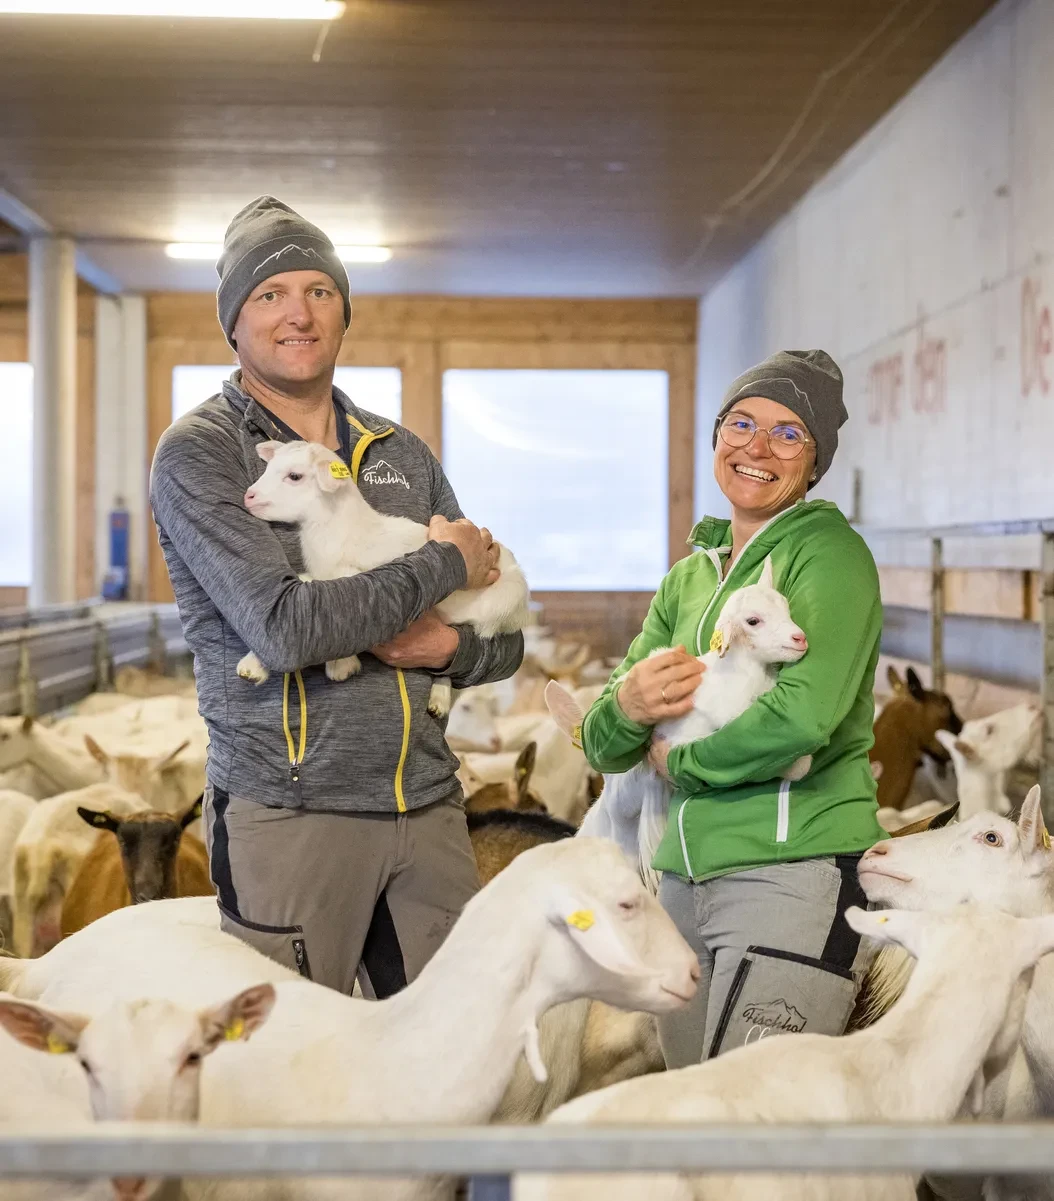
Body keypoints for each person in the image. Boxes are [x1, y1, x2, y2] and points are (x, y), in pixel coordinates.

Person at [150, 196, 523, 999]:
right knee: (291, 1070)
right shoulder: (203, 454)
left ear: (343, 313)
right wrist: (438, 567)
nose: (299, 314)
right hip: (291, 813)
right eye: (270, 295)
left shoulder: (399, 453)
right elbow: (284, 629)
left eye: (319, 291)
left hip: (426, 807)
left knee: (452, 1062)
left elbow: (506, 640)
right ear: (236, 323)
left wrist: (451, 649)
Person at [581, 349, 885, 1066]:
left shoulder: (829, 555)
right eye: (741, 422)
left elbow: (806, 718)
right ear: (716, 435)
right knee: (696, 1118)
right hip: (682, 880)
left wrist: (679, 762)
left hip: (791, 872)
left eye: (788, 433)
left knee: (755, 1134)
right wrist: (625, 703)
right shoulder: (687, 580)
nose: (757, 446)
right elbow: (601, 743)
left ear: (814, 462)